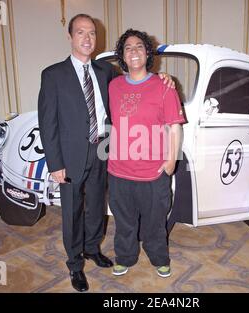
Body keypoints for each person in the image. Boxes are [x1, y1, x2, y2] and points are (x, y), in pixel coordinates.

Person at [38, 14, 174, 292]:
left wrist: (163, 77)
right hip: (70, 157)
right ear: (70, 37)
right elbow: (47, 122)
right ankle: (75, 264)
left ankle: (92, 248)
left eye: (91, 33)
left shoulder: (105, 72)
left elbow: (136, 82)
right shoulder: (53, 75)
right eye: (80, 33)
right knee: (73, 212)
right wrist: (55, 163)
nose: (87, 38)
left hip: (103, 151)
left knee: (97, 207)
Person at [107, 29, 186, 278]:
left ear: (148, 52)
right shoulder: (114, 86)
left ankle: (159, 258)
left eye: (139, 46)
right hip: (119, 170)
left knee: (155, 223)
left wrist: (171, 160)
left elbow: (174, 126)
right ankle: (125, 257)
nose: (134, 51)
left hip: (153, 172)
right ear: (122, 55)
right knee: (124, 221)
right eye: (128, 47)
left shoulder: (164, 86)